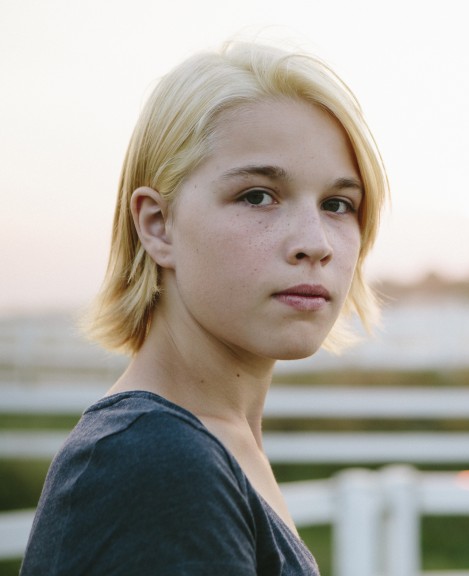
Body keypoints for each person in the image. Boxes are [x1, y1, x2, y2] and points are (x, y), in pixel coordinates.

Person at [20, 39, 387, 575]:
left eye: (337, 204)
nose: (316, 242)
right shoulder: (153, 463)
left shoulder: (213, 441)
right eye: (258, 195)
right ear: (157, 224)